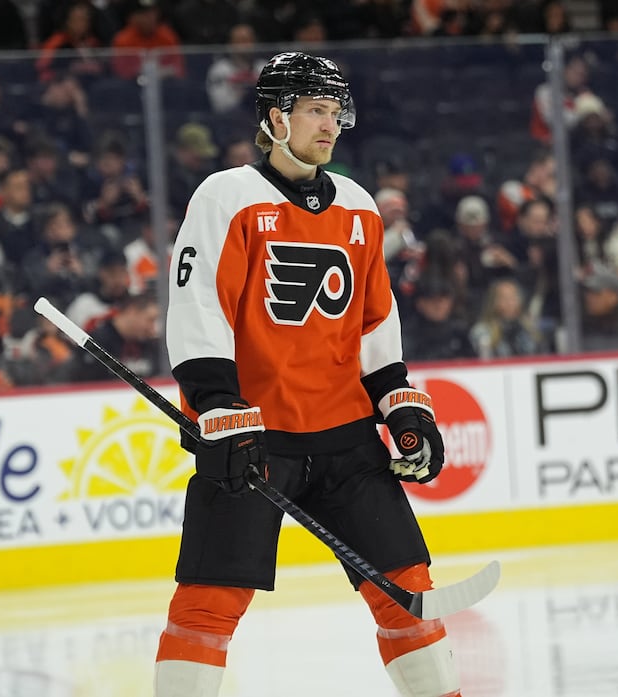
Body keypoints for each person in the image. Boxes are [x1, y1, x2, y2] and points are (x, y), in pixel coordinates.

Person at [159, 52, 459, 697]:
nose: (329, 126)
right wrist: (217, 403)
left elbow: (374, 320)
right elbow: (197, 305)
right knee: (210, 602)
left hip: (345, 434)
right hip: (254, 435)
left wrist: (401, 406)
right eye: (314, 111)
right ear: (275, 117)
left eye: (334, 112)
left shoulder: (358, 205)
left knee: (407, 591)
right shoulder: (227, 195)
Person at [72, 291, 160, 382]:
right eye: (150, 320)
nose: (153, 328)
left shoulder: (151, 345)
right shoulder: (97, 343)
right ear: (132, 311)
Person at [469, 278, 547, 359]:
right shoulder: (482, 330)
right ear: (493, 302)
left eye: (513, 297)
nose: (509, 303)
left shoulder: (531, 330)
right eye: (504, 298)